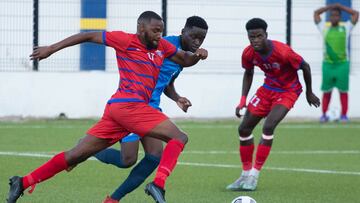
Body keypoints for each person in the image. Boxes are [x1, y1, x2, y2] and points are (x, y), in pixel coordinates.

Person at [7, 11, 208, 203]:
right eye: (155, 30)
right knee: (178, 138)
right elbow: (89, 36)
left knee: (76, 155)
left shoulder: (162, 46)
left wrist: (197, 56)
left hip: (123, 110)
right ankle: (158, 185)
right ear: (140, 28)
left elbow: (185, 60)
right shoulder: (125, 40)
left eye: (161, 31)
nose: (158, 35)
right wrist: (51, 48)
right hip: (131, 107)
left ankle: (22, 182)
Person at [95, 16, 208, 203]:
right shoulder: (165, 44)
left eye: (201, 38)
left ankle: (113, 199)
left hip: (152, 108)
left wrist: (177, 97)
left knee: (154, 156)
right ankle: (89, 149)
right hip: (134, 106)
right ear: (183, 32)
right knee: (127, 160)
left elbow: (166, 81)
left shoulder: (183, 55)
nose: (197, 42)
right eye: (193, 36)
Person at [226, 18, 320, 191]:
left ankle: (254, 176)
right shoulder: (248, 53)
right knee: (243, 129)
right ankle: (244, 175)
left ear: (266, 35)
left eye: (259, 36)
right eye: (251, 37)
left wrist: (309, 92)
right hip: (267, 89)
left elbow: (305, 66)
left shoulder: (283, 52)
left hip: (288, 91)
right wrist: (242, 100)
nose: (255, 40)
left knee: (268, 126)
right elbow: (248, 72)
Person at [314, 3, 359, 123]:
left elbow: (356, 14)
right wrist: (330, 7)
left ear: (340, 17)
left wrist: (341, 7)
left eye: (336, 15)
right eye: (332, 15)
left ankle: (344, 116)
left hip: (342, 64)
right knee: (327, 91)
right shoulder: (324, 27)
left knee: (343, 91)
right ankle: (324, 115)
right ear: (329, 17)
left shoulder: (346, 27)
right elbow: (316, 13)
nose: (334, 17)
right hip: (328, 65)